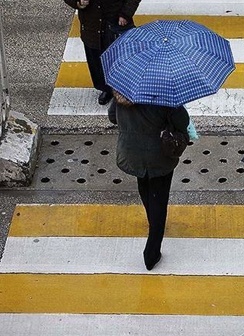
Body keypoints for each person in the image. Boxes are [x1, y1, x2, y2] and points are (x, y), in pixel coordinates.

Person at [110, 90, 189, 270]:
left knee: (144, 188)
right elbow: (182, 122)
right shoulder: (164, 95)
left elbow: (112, 117)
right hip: (159, 157)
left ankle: (152, 219)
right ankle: (151, 253)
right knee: (159, 200)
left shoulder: (122, 92)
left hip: (131, 154)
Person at [63, 0, 140, 106]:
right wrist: (78, 2)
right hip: (91, 28)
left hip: (116, 25)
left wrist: (126, 14)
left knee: (122, 61)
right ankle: (107, 90)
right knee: (97, 63)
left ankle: (124, 90)